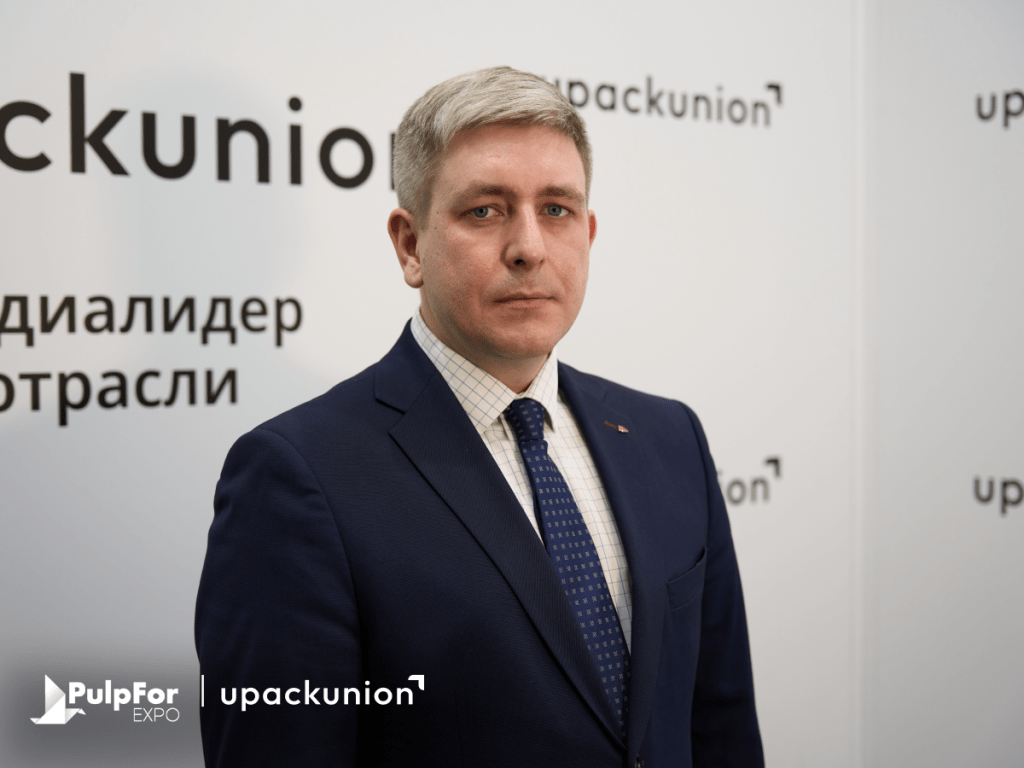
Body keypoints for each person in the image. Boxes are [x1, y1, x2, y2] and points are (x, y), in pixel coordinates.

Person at [195, 65, 763, 768]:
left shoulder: (669, 437)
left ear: (588, 233)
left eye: (556, 210)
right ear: (410, 245)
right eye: (485, 211)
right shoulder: (299, 475)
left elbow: (719, 725)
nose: (529, 247)